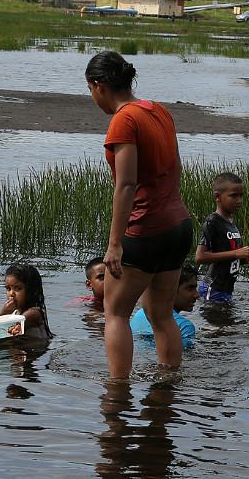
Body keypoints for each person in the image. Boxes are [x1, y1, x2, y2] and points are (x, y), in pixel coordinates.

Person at [86, 50, 193, 379]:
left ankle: (117, 394)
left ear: (99, 86)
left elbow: (127, 184)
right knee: (161, 314)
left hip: (145, 230)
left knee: (115, 313)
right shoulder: (158, 111)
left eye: (90, 90)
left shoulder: (124, 119)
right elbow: (176, 169)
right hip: (178, 226)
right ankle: (167, 386)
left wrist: (115, 243)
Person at [195, 172, 249, 304]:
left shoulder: (231, 223)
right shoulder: (212, 222)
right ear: (218, 196)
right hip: (213, 290)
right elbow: (200, 257)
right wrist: (236, 253)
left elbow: (227, 257)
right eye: (233, 196)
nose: (239, 200)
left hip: (226, 291)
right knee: (216, 324)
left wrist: (244, 259)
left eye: (241, 195)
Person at [131, 264, 198, 347]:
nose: (197, 295)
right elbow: (181, 357)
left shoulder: (140, 313)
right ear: (171, 288)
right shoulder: (185, 326)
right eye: (190, 288)